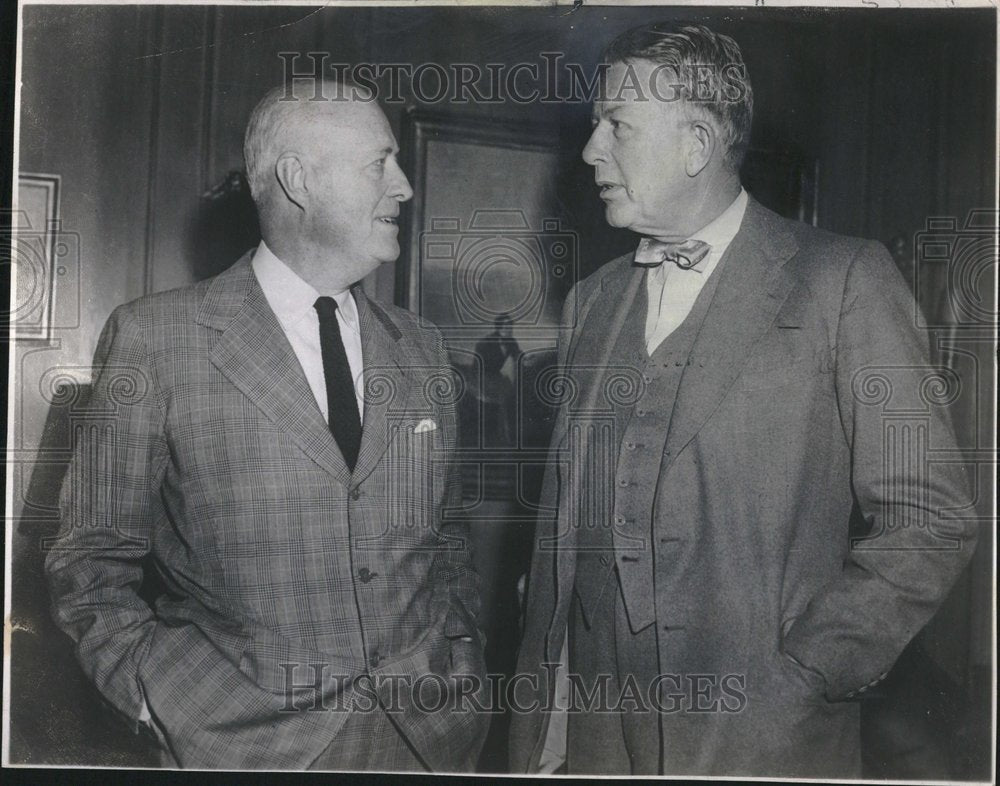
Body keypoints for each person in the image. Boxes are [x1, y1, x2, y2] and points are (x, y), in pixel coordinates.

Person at [510, 23, 978, 778]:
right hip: (586, 733)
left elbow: (932, 518)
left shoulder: (845, 282)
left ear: (696, 145)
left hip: (759, 735)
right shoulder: (592, 301)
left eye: (616, 127)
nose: (592, 149)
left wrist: (808, 672)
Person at [45, 81, 488, 771]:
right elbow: (89, 559)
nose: (403, 186)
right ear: (297, 179)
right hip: (241, 744)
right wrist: (150, 696)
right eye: (380, 163)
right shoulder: (159, 338)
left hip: (426, 738)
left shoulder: (422, 345)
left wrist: (464, 653)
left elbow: (450, 538)